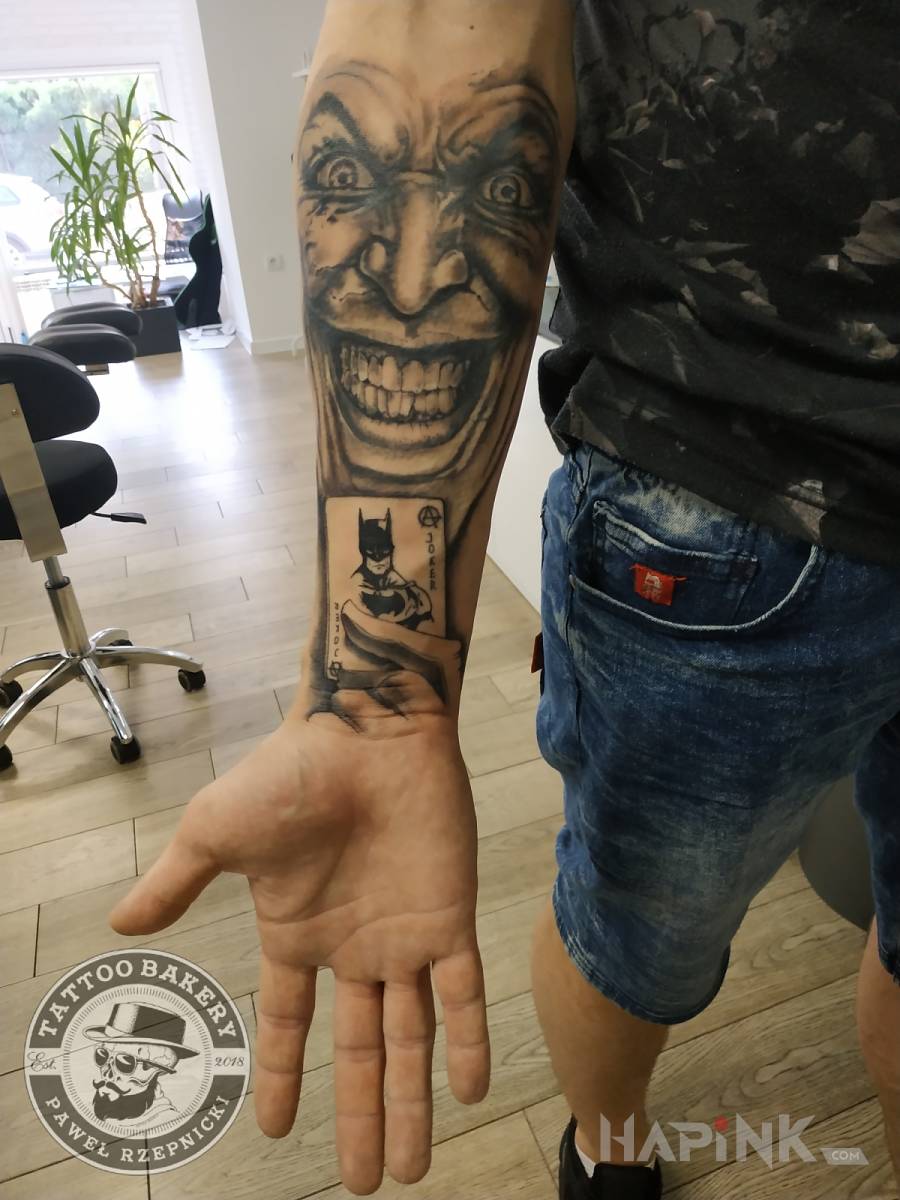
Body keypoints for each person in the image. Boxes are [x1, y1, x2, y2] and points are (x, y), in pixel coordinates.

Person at [109, 1, 900, 1196]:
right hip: (732, 505)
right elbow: (431, 39)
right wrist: (376, 696)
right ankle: (610, 1143)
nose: (412, 286)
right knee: (639, 937)